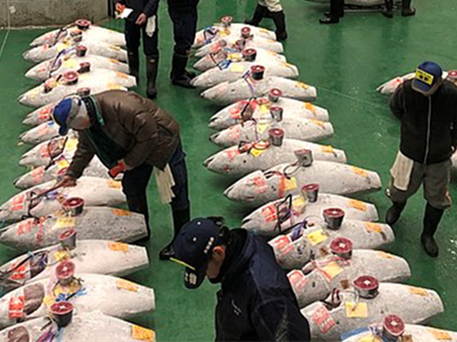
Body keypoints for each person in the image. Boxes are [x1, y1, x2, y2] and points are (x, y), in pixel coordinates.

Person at [51, 91, 191, 260]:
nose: (74, 129)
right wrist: (73, 173)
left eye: (73, 126)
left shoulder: (122, 107)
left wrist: (128, 163)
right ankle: (139, 229)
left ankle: (183, 242)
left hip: (162, 141)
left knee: (176, 190)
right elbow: (86, 148)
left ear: (78, 118)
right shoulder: (86, 122)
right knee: (132, 188)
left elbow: (149, 136)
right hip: (133, 147)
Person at [171, 217, 311, 341]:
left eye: (204, 270)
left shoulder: (266, 296)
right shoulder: (241, 248)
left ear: (218, 253)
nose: (206, 276)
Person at [385, 61, 457, 258]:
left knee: (437, 199)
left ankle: (428, 235)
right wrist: (410, 128)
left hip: (439, 157)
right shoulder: (406, 89)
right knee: (399, 189)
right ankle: (396, 208)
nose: (421, 91)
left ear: (439, 83)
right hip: (410, 153)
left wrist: (454, 142)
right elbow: (395, 108)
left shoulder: (451, 93)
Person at [113, 0, 162, 99]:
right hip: (130, 16)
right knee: (132, 46)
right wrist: (117, 3)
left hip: (148, 17)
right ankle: (133, 77)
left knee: (151, 49)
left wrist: (146, 13)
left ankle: (151, 82)